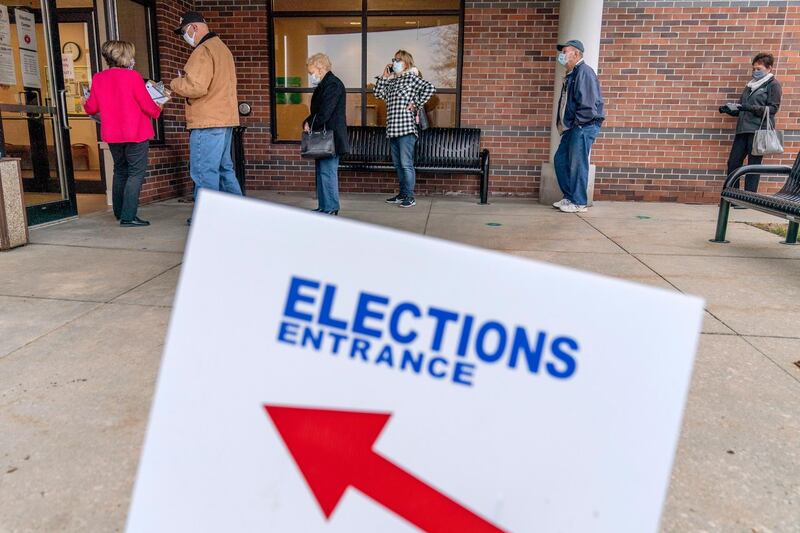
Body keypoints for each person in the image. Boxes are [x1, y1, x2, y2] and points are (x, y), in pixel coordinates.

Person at [83, 40, 166, 227]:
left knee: (120, 171)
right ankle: (128, 217)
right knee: (136, 173)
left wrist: (84, 102)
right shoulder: (133, 77)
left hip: (113, 134)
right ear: (124, 56)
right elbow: (148, 107)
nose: (133, 58)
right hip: (136, 132)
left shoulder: (98, 78)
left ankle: (119, 212)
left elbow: (91, 107)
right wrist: (159, 106)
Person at [169, 11, 241, 226]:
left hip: (207, 121)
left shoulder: (203, 51)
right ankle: (240, 212)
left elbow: (196, 86)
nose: (184, 36)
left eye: (184, 31)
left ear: (194, 27)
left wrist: (174, 83)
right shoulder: (222, 49)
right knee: (223, 168)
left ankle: (207, 218)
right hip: (224, 119)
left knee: (203, 171)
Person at [373, 50, 435, 208]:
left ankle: (410, 196)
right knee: (398, 164)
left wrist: (416, 104)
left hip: (406, 129)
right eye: (394, 59)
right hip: (392, 129)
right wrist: (384, 76)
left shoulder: (411, 78)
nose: (395, 62)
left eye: (398, 60)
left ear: (406, 63)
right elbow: (378, 94)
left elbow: (430, 88)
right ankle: (402, 194)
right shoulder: (392, 81)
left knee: (406, 163)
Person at [719, 52, 782, 203]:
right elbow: (743, 107)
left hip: (757, 132)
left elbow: (773, 109)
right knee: (733, 163)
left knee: (753, 166)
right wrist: (731, 109)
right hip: (742, 130)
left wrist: (749, 107)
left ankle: (748, 200)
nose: (755, 71)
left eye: (759, 68)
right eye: (754, 68)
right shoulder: (750, 85)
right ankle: (732, 198)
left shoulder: (773, 84)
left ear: (769, 68)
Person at [552, 39, 605, 214]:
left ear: (576, 54)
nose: (562, 55)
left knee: (578, 163)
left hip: (582, 126)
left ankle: (579, 202)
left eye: (565, 51)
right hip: (572, 127)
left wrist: (578, 124)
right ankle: (569, 197)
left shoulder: (584, 72)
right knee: (560, 160)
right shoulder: (572, 74)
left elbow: (589, 104)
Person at [303, 53, 349, 215]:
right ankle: (324, 206)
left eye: (311, 72)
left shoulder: (333, 85)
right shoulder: (326, 84)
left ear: (320, 68)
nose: (311, 76)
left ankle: (330, 207)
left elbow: (325, 112)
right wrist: (308, 121)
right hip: (325, 136)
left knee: (327, 172)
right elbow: (319, 112)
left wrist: (311, 122)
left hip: (331, 137)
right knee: (322, 172)